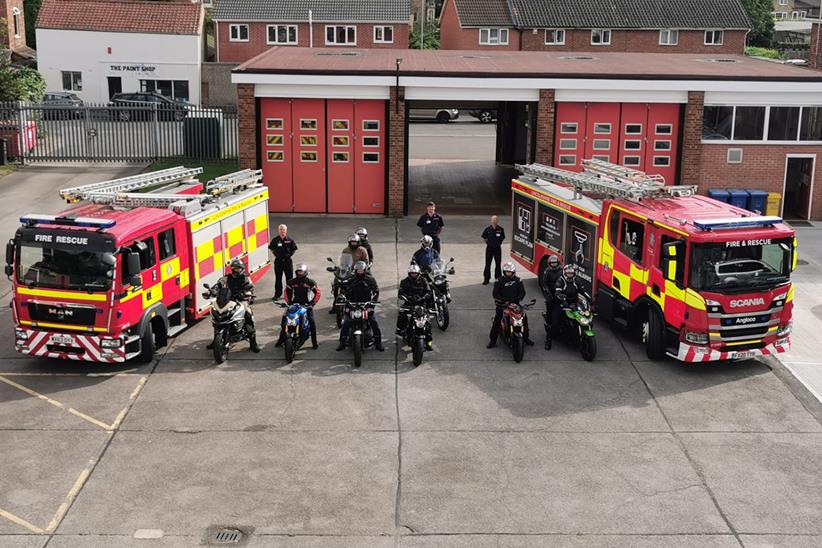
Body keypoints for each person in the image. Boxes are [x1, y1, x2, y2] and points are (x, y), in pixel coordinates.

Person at [208, 259, 260, 353]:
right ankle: (215, 339)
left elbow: (250, 287)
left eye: (239, 268)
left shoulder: (245, 278)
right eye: (235, 268)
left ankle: (253, 343)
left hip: (241, 300)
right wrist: (212, 290)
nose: (237, 270)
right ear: (232, 269)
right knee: (218, 315)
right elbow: (219, 283)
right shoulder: (227, 277)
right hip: (229, 299)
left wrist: (247, 294)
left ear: (242, 269)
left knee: (248, 314)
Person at [337, 261, 384, 352]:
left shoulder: (370, 279)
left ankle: (378, 343)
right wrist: (346, 302)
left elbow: (376, 292)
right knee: (346, 322)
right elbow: (346, 292)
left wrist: (372, 304)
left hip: (366, 305)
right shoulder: (351, 280)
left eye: (361, 270)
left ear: (365, 270)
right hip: (353, 305)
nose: (359, 271)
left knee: (374, 322)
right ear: (355, 270)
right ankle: (342, 342)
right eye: (358, 270)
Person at [487, 261, 533, 348]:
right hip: (502, 304)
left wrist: (517, 299)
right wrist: (503, 301)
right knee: (497, 321)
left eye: (510, 272)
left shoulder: (518, 280)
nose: (508, 273)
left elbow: (522, 292)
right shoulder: (499, 281)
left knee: (524, 319)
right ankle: (492, 340)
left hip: (515, 305)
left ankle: (526, 337)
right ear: (504, 272)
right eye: (507, 272)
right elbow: (495, 294)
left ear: (513, 272)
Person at [276, 263, 320, 349]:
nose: (300, 274)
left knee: (312, 322)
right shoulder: (292, 282)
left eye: (302, 272)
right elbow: (286, 292)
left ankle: (314, 342)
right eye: (299, 272)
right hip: (295, 304)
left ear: (306, 272)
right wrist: (289, 302)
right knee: (286, 320)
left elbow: (317, 293)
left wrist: (312, 303)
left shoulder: (310, 282)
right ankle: (280, 340)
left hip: (307, 305)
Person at [396, 264, 433, 350]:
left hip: (421, 304)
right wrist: (408, 298)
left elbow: (429, 292)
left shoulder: (424, 280)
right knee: (402, 315)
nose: (414, 274)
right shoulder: (404, 281)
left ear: (418, 273)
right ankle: (401, 330)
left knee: (427, 324)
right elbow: (400, 294)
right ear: (409, 273)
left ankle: (429, 343)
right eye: (412, 273)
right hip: (409, 304)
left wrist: (423, 298)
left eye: (415, 273)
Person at [551, 264, 583, 343]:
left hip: (573, 304)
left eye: (571, 273)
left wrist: (589, 300)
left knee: (583, 317)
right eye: (568, 273)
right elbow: (557, 293)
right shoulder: (560, 280)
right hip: (561, 303)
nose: (570, 275)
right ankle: (550, 338)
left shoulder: (576, 280)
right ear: (565, 273)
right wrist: (563, 301)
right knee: (556, 322)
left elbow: (582, 292)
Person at [268, 224, 297, 300]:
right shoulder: (275, 240)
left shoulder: (290, 240)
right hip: (278, 262)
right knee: (278, 278)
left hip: (287, 262)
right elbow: (271, 248)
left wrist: (289, 255)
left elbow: (293, 249)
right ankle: (277, 294)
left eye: (283, 229)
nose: (282, 231)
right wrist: (276, 254)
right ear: (279, 231)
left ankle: (289, 295)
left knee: (289, 279)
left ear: (286, 231)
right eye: (281, 229)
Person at [541, 255, 564, 350]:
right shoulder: (547, 272)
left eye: (555, 263)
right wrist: (549, 295)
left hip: (562, 297)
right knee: (553, 322)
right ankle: (548, 340)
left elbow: (568, 282)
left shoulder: (563, 272)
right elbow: (544, 284)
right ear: (549, 264)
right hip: (552, 299)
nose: (554, 265)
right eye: (552, 263)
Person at [481, 215, 506, 285]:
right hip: (489, 248)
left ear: (497, 221)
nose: (494, 222)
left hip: (497, 248)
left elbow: (503, 237)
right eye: (493, 220)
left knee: (498, 264)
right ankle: (486, 279)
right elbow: (484, 237)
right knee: (488, 264)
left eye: (495, 220)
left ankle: (498, 279)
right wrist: (488, 243)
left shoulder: (500, 229)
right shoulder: (487, 229)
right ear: (491, 221)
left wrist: (498, 242)